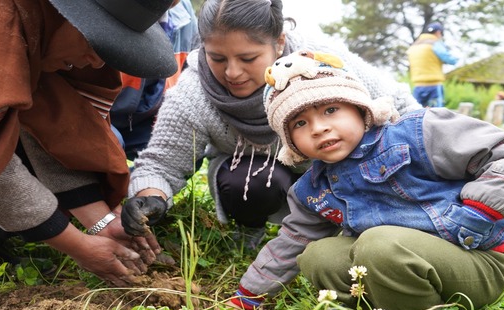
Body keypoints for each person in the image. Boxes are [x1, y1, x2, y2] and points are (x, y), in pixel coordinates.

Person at [224, 51, 504, 310]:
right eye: (300, 123)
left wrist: (478, 213)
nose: (318, 128)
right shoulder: (313, 189)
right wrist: (249, 295)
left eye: (331, 110)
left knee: (376, 243)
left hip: (474, 262)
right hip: (393, 263)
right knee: (317, 255)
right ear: (291, 144)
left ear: (361, 109)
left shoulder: (415, 133)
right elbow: (291, 242)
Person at [0, 0, 180, 286]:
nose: (97, 62)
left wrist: (101, 223)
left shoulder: (36, 24)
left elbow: (50, 126)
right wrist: (77, 246)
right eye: (98, 40)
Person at [120, 0, 421, 251]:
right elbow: (162, 163)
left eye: (248, 58)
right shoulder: (193, 92)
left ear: (278, 43)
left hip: (337, 164)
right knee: (252, 183)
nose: (232, 72)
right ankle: (252, 230)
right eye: (217, 58)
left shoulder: (319, 60)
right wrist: (150, 197)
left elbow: (397, 105)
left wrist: (431, 150)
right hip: (259, 173)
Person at [110, 0, 200, 160]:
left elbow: (194, 74)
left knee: (187, 145)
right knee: (110, 145)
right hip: (100, 115)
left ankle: (140, 183)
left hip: (146, 119)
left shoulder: (184, 12)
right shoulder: (111, 8)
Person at [406, 22, 459, 108]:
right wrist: (457, 58)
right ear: (438, 32)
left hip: (417, 85)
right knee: (436, 115)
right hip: (434, 85)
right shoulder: (435, 43)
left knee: (415, 113)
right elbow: (450, 59)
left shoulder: (414, 46)